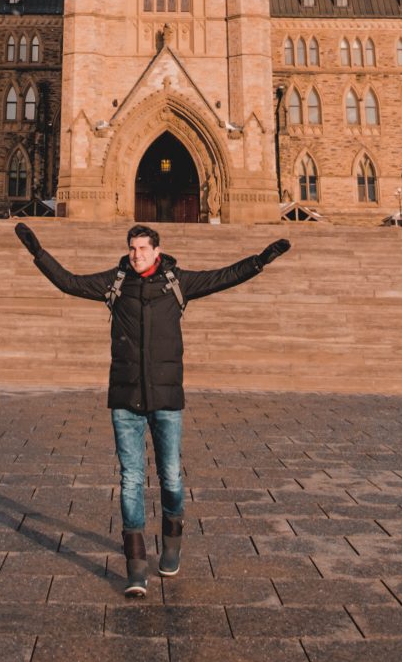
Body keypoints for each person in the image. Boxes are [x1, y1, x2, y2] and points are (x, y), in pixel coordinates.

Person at [15, 220, 289, 596]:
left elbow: (222, 277)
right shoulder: (115, 283)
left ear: (157, 251)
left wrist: (258, 262)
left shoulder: (177, 283)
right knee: (131, 479)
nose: (137, 253)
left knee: (172, 477)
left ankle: (172, 542)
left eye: (143, 248)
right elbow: (70, 282)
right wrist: (38, 253)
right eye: (132, 248)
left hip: (165, 397)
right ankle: (136, 568)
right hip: (125, 398)